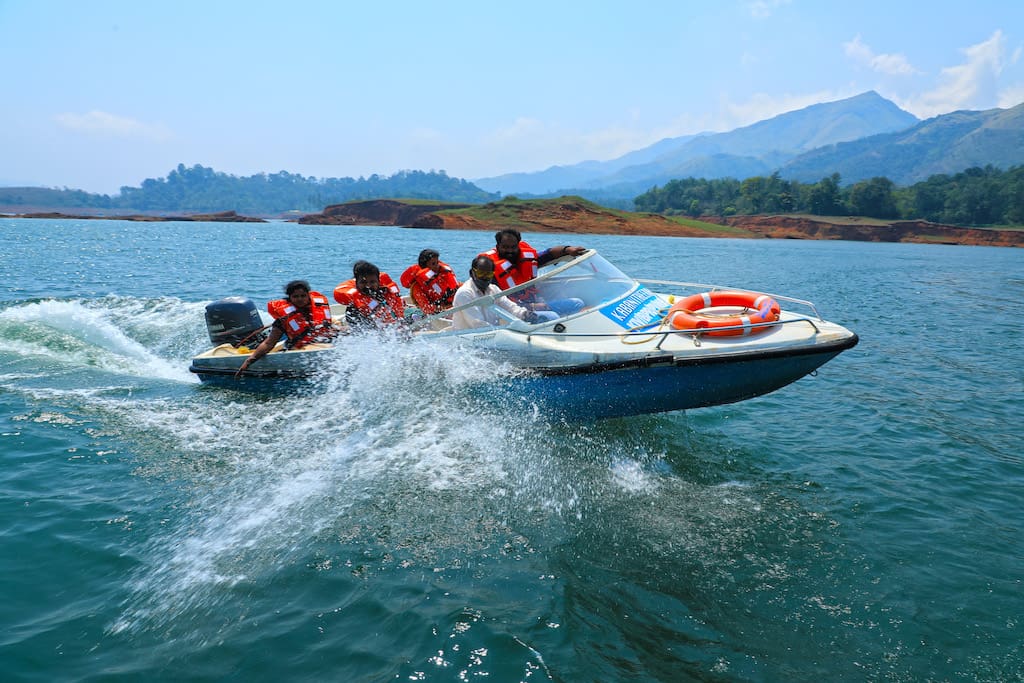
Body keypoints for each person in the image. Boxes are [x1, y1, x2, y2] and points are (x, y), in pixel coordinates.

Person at [235, 280, 337, 378]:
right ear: (290, 298)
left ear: (308, 295)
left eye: (303, 296)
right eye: (295, 296)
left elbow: (328, 327)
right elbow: (269, 343)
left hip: (325, 342)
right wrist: (249, 361)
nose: (300, 299)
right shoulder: (284, 319)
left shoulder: (318, 309)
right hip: (302, 349)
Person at [478, 228, 586, 319]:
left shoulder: (527, 259)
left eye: (513, 247)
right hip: (513, 313)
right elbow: (494, 302)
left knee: (577, 303)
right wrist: (532, 307)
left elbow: (550, 253)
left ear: (518, 246)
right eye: (505, 247)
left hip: (536, 305)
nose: (509, 250)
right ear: (498, 247)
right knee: (552, 316)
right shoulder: (490, 270)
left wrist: (568, 249)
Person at [450, 256, 540, 330]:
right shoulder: (464, 293)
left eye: (488, 274)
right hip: (468, 340)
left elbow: (510, 307)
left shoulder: (494, 289)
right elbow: (477, 324)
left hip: (492, 334)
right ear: (471, 273)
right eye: (481, 274)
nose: (485, 278)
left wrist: (525, 314)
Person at [333, 260, 405, 329]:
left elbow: (397, 310)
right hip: (365, 322)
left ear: (378, 282)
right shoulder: (355, 296)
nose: (368, 286)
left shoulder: (385, 291)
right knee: (352, 309)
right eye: (363, 282)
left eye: (372, 282)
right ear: (356, 283)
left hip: (389, 322)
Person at [399, 248, 460, 314]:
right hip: (439, 313)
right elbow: (427, 309)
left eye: (437, 262)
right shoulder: (417, 287)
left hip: (454, 305)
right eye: (433, 264)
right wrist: (448, 307)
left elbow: (456, 287)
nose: (437, 266)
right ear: (424, 266)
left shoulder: (443, 274)